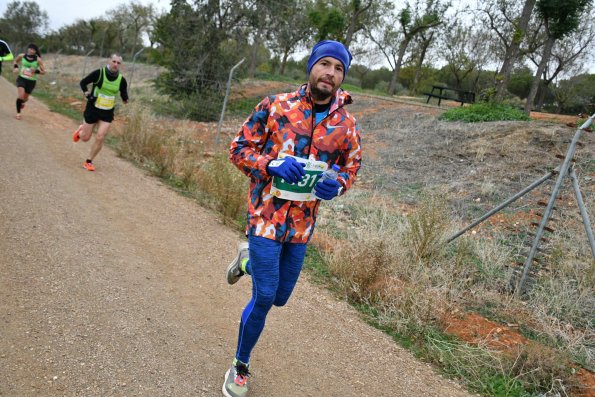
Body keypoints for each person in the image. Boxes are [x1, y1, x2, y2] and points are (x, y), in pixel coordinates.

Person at [224, 40, 362, 397]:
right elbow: (238, 148)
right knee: (265, 296)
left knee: (282, 297)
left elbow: (352, 165)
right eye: (325, 64)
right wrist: (269, 164)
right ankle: (240, 366)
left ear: (343, 76)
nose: (330, 73)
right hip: (266, 216)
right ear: (312, 66)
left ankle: (247, 262)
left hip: (301, 227)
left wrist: (340, 185)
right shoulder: (276, 106)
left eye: (339, 68)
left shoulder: (346, 124)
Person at [72, 53, 128, 171]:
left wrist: (125, 98)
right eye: (114, 61)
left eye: (118, 63)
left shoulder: (121, 79)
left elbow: (123, 91)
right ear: (109, 61)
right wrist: (87, 94)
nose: (116, 64)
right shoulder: (99, 73)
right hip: (93, 108)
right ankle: (80, 131)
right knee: (85, 138)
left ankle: (89, 161)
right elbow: (83, 82)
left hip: (107, 112)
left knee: (100, 136)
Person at [13, 43, 44, 120]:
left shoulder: (38, 60)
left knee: (25, 98)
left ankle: (23, 102)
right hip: (21, 78)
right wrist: (16, 67)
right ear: (28, 49)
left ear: (35, 51)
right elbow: (15, 61)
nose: (31, 50)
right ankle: (18, 113)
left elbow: (43, 72)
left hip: (31, 81)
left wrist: (36, 71)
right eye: (30, 49)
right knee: (21, 95)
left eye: (33, 50)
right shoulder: (21, 56)